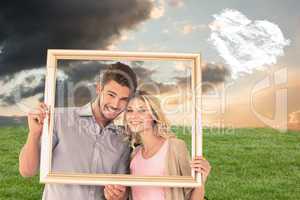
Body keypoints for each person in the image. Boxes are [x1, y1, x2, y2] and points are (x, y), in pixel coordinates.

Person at [19, 62, 138, 200]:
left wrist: (119, 195)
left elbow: (121, 192)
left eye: (123, 99)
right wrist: (34, 134)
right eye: (111, 95)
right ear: (99, 89)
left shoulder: (122, 140)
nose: (116, 104)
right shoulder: (59, 119)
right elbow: (27, 171)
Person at [122, 90, 211, 200]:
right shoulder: (135, 153)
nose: (134, 116)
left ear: (154, 114)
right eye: (129, 110)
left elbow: (192, 193)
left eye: (142, 110)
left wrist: (201, 180)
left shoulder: (175, 147)